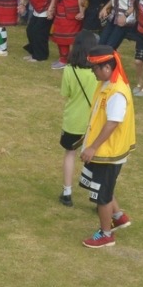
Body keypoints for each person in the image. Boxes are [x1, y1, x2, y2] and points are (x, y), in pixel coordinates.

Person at [78, 47, 135, 248]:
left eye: (95, 68)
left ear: (108, 67)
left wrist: (92, 147)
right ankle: (118, 216)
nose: (93, 72)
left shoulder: (117, 92)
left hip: (108, 153)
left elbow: (112, 122)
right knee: (105, 187)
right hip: (107, 150)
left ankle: (106, 233)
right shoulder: (108, 83)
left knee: (102, 194)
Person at [56, 36, 99, 207]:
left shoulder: (69, 70)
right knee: (97, 160)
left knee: (70, 153)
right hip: (94, 121)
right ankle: (98, 198)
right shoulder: (97, 72)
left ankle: (67, 192)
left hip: (73, 120)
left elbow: (65, 93)